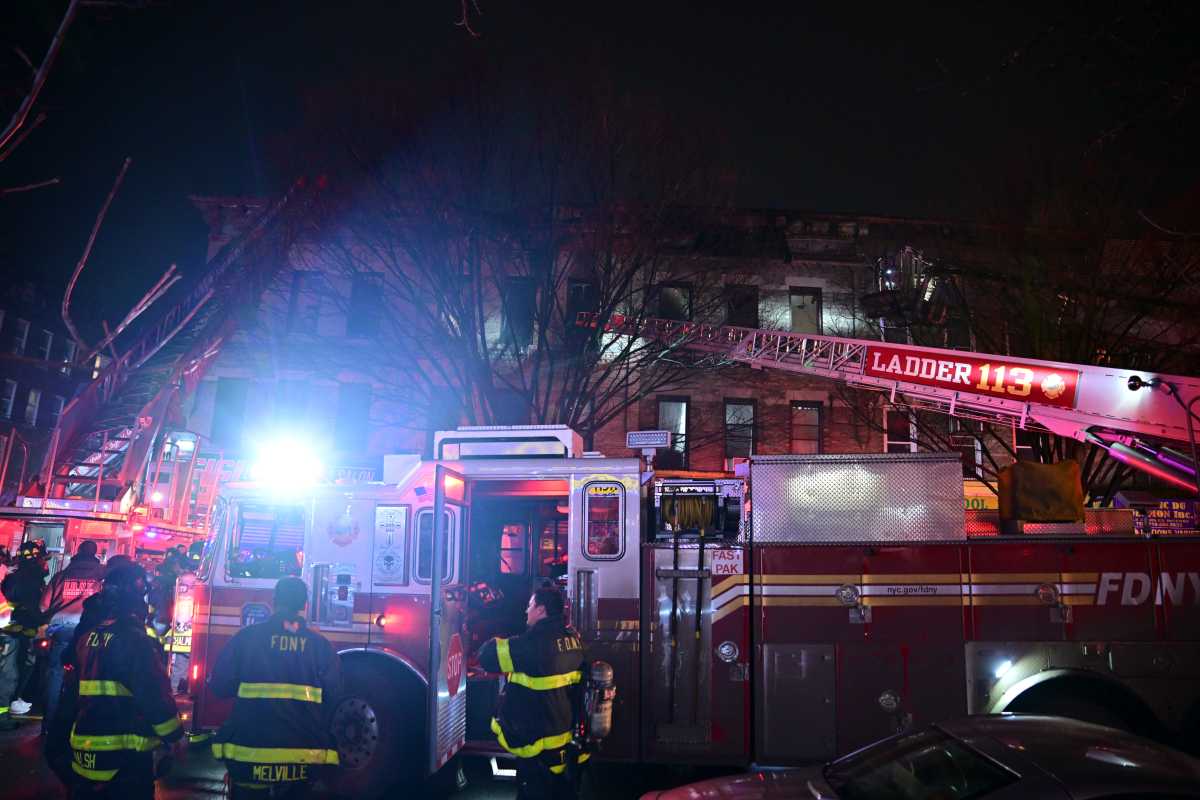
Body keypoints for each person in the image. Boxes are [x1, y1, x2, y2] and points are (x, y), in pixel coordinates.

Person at [210, 577, 341, 799]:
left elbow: (219, 686)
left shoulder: (246, 638)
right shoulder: (321, 646)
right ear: (304, 604)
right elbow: (334, 696)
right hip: (304, 760)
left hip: (248, 756)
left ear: (274, 600)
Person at [59, 563, 183, 798]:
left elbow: (71, 695)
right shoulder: (136, 640)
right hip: (125, 757)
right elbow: (153, 694)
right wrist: (175, 736)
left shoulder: (87, 638)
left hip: (84, 753)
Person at [477, 587, 588, 800]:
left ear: (541, 610)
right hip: (566, 744)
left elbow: (487, 657)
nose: (526, 611)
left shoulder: (531, 646)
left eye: (530, 605)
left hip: (538, 747)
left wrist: (497, 636)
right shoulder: (574, 641)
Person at [41, 541, 107, 732]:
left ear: (77, 552)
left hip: (61, 629)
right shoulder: (101, 576)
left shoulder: (61, 575)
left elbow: (43, 606)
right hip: (89, 630)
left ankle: (49, 723)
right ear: (95, 554)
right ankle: (80, 723)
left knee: (55, 674)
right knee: (87, 673)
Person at [0, 539, 49, 728]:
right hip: (13, 633)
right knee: (9, 675)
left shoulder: (16, 577)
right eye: (42, 559)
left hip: (17, 632)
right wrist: (43, 620)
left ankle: (11, 703)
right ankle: (2, 716)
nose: (45, 563)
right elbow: (30, 607)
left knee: (17, 671)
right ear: (35, 559)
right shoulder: (29, 579)